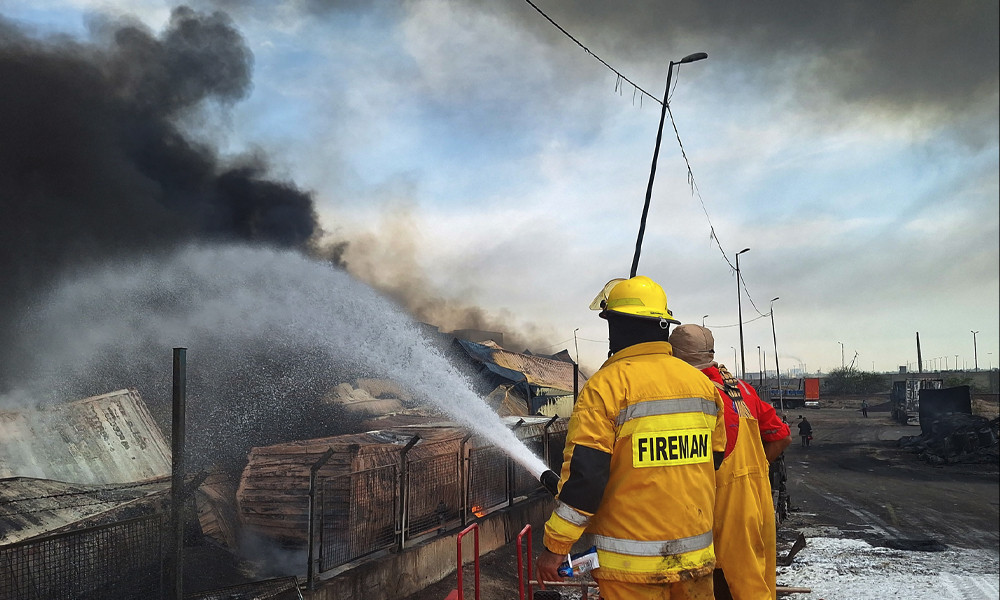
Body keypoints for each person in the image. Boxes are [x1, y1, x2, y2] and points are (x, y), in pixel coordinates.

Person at [536, 276, 727, 600]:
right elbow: (716, 457)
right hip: (694, 562)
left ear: (616, 325)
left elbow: (586, 479)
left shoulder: (605, 387)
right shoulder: (702, 386)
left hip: (630, 570)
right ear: (663, 325)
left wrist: (555, 547)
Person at [669, 324, 792, 600]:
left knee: (724, 586)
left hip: (722, 510)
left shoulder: (697, 394)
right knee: (756, 586)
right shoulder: (741, 388)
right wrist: (753, 472)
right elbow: (782, 437)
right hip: (758, 501)